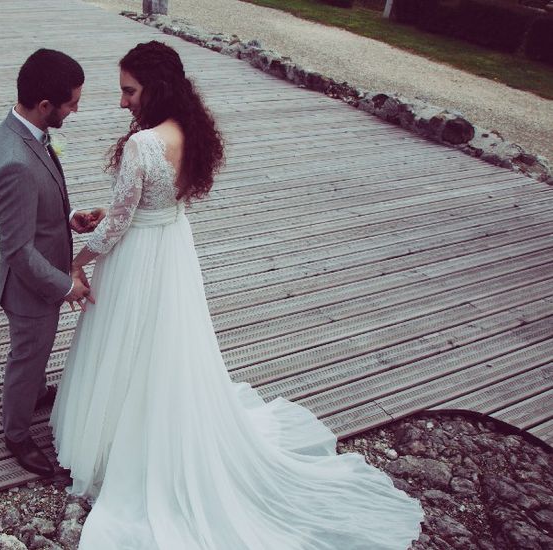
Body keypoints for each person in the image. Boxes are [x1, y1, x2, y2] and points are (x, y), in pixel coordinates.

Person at [50, 41, 424, 549]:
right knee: (165, 346)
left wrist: (76, 261)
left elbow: (117, 227)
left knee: (128, 339)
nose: (122, 102)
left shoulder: (142, 144)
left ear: (154, 88)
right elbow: (144, 204)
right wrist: (107, 211)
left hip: (139, 256)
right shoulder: (188, 130)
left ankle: (120, 440)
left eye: (128, 91)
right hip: (172, 250)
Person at [0, 48, 105, 477]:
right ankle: (16, 435)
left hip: (42, 271)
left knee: (35, 352)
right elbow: (18, 250)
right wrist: (65, 285)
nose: (76, 108)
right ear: (44, 106)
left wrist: (68, 219)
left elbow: (32, 211)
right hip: (30, 288)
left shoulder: (26, 134)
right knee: (28, 354)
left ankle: (35, 392)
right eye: (72, 102)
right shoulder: (15, 162)